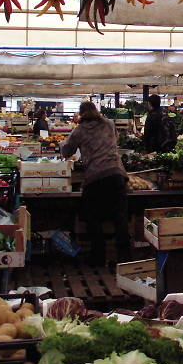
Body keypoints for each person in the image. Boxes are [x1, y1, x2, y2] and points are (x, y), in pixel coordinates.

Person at [61, 102, 130, 265]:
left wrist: (62, 143)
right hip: (116, 174)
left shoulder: (79, 131)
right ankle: (124, 257)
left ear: (81, 113)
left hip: (95, 178)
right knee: (120, 217)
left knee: (93, 218)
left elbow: (66, 151)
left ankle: (98, 257)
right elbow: (115, 141)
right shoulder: (109, 124)